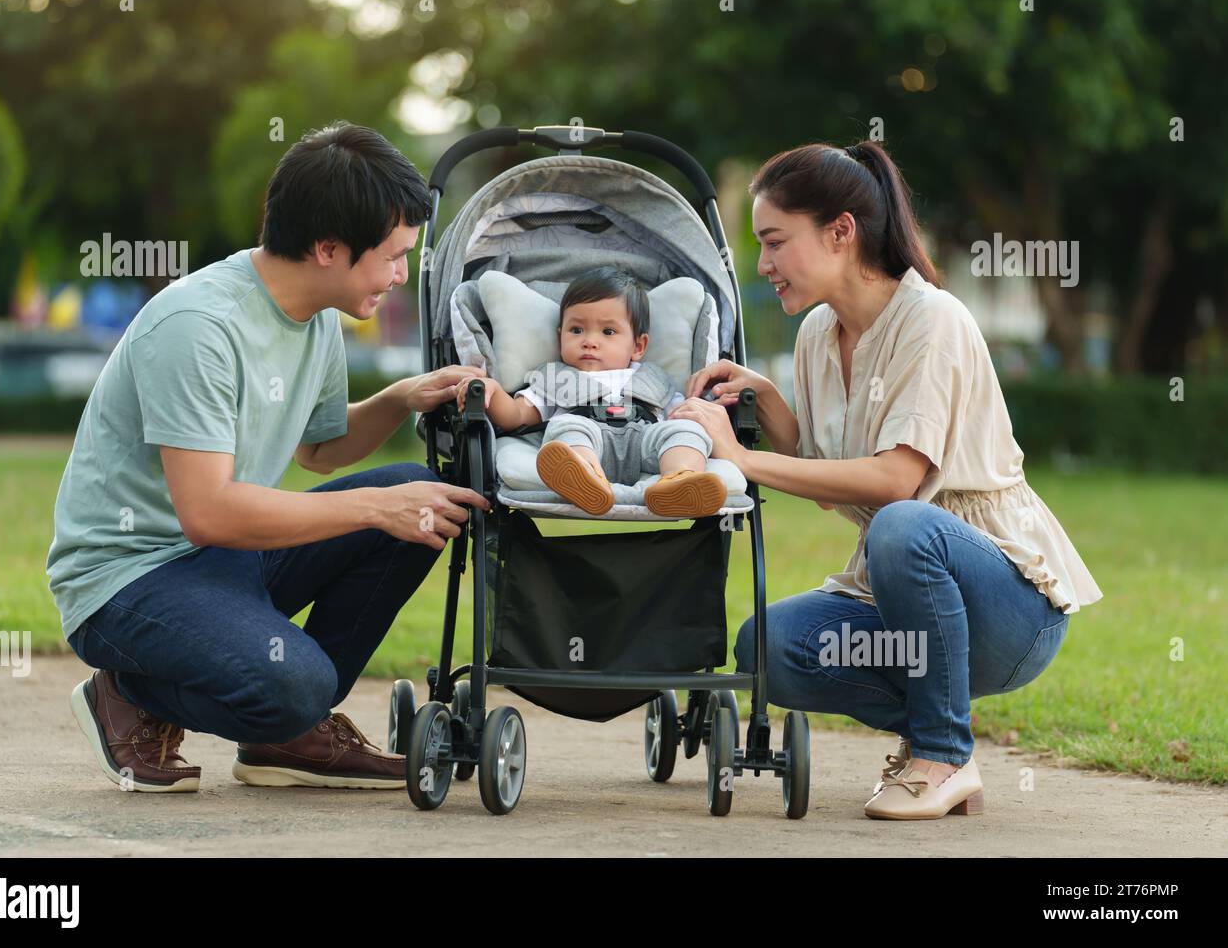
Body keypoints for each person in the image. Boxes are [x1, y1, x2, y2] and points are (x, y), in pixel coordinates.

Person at [47, 122, 490, 793]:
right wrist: (375, 507)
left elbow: (318, 449)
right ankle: (130, 693)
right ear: (327, 248)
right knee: (300, 678)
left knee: (420, 493)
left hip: (220, 561)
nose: (401, 275)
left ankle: (284, 732)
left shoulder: (317, 315)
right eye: (394, 256)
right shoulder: (197, 327)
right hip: (128, 580)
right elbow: (207, 512)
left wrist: (401, 398)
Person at [669, 140, 1102, 820]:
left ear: (841, 232)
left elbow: (897, 481)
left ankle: (938, 750)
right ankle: (944, 736)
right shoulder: (818, 333)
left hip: (1008, 607)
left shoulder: (932, 319)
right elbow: (828, 479)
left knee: (901, 526)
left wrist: (741, 458)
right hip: (905, 598)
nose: (765, 264)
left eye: (776, 241)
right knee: (768, 646)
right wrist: (768, 402)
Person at [454, 267, 728, 518]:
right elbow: (516, 416)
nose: (589, 341)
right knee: (565, 426)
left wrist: (694, 422)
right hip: (587, 439)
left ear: (638, 346)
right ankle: (585, 479)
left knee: (684, 431)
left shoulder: (655, 378)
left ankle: (680, 480)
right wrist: (490, 391)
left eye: (608, 331)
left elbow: (683, 414)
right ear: (560, 335)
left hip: (645, 441)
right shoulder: (554, 377)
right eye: (577, 330)